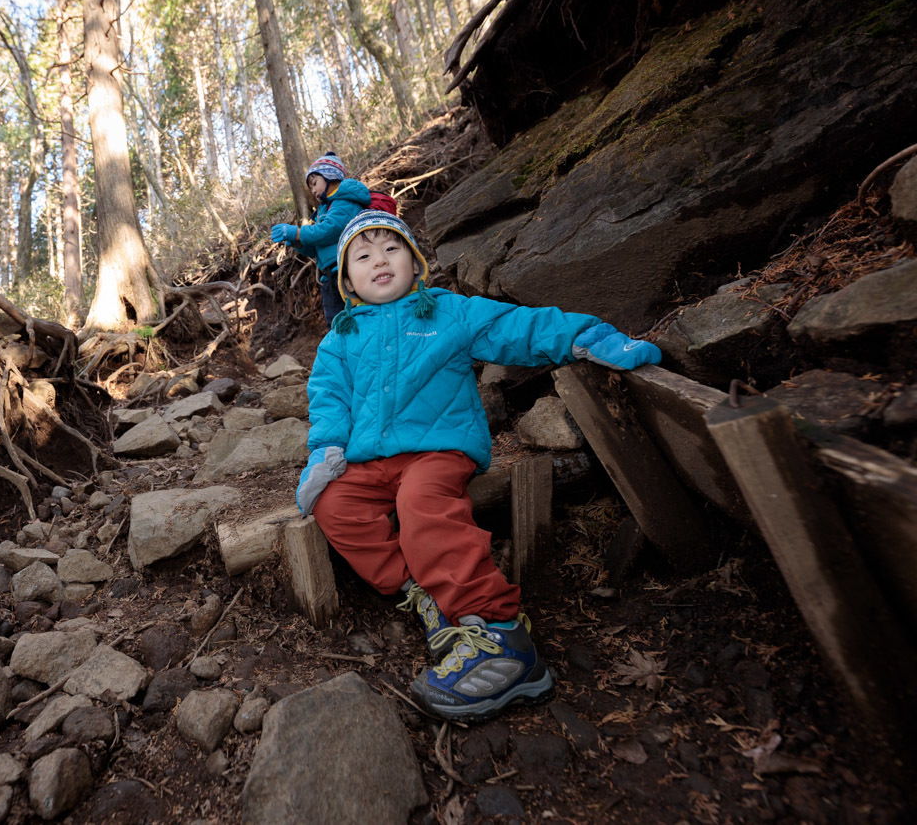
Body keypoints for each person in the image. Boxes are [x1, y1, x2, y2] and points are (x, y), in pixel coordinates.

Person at [294, 209, 662, 724]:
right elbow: (328, 398)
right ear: (347, 280)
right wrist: (326, 452)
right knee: (334, 503)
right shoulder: (340, 338)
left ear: (416, 263)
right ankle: (422, 594)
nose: (379, 259)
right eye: (363, 254)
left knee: (420, 502)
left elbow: (515, 326)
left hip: (437, 450)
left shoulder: (446, 312)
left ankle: (500, 634)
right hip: (371, 460)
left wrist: (586, 336)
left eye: (392, 248)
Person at [271, 151, 371, 326]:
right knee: (335, 321)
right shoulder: (325, 209)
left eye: (314, 183)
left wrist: (298, 232)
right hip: (330, 275)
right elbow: (317, 247)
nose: (313, 190)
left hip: (347, 271)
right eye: (310, 187)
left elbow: (329, 230)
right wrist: (297, 242)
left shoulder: (345, 201)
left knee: (352, 317)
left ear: (330, 176)